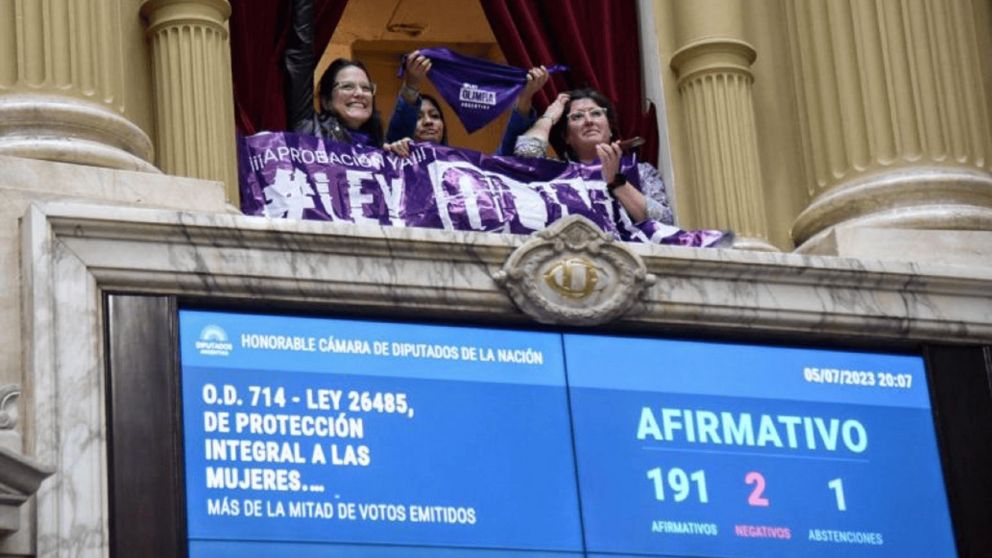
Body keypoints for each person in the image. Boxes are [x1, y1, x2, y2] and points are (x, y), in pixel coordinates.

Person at [516, 88, 729, 246]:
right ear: (567, 138)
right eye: (577, 117)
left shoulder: (639, 170)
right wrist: (549, 116)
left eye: (596, 113)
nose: (588, 121)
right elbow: (526, 157)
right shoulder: (558, 173)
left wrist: (616, 181)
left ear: (610, 130)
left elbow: (662, 221)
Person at [385, 50, 551, 157]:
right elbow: (399, 133)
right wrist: (412, 84)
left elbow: (505, 157)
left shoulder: (463, 166)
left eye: (435, 116)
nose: (429, 121)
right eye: (418, 118)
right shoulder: (398, 156)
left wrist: (525, 98)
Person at [284, 0, 384, 147]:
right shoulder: (310, 129)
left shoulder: (381, 150)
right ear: (326, 101)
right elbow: (301, 58)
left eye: (366, 88)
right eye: (347, 86)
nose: (359, 93)